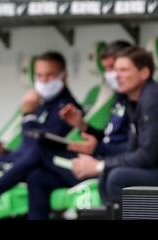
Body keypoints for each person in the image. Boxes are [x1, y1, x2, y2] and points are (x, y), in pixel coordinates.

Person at [26, 40, 132, 219]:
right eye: (108, 70)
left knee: (40, 152)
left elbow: (140, 149)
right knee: (37, 176)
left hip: (113, 166)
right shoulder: (121, 99)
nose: (112, 75)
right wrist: (83, 126)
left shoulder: (147, 100)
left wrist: (99, 161)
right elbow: (110, 138)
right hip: (105, 159)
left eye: (117, 69)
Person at [0, 52, 81, 212]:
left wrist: (28, 114)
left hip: (21, 169)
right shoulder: (40, 104)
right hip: (14, 160)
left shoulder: (67, 110)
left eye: (49, 75)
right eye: (39, 75)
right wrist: (4, 150)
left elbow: (41, 146)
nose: (43, 81)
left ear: (63, 77)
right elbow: (29, 147)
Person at [69, 46, 158, 212]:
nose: (116, 75)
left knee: (117, 177)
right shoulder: (132, 100)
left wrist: (99, 165)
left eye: (123, 70)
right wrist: (103, 165)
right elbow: (133, 150)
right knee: (108, 176)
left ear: (144, 73)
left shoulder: (153, 100)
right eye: (115, 70)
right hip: (153, 168)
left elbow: (147, 156)